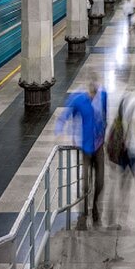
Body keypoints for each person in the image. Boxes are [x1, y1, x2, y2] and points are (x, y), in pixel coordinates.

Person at [56, 81, 107, 223]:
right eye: (91, 93)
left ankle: (95, 204)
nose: (93, 96)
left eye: (95, 94)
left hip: (98, 145)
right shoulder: (79, 100)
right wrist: (61, 130)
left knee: (100, 181)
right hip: (85, 147)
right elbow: (67, 114)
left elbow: (105, 114)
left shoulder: (103, 96)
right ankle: (83, 211)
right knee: (85, 182)